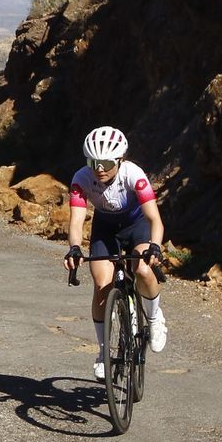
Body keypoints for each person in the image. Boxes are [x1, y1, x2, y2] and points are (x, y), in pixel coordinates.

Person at [61, 126, 168, 378]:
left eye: (106, 162)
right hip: (105, 227)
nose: (99, 168)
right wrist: (74, 248)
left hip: (136, 225)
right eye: (93, 162)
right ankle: (103, 351)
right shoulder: (81, 178)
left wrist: (155, 246)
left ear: (120, 160)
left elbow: (155, 219)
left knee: (142, 268)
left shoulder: (134, 174)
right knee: (101, 285)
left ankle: (154, 318)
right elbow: (77, 221)